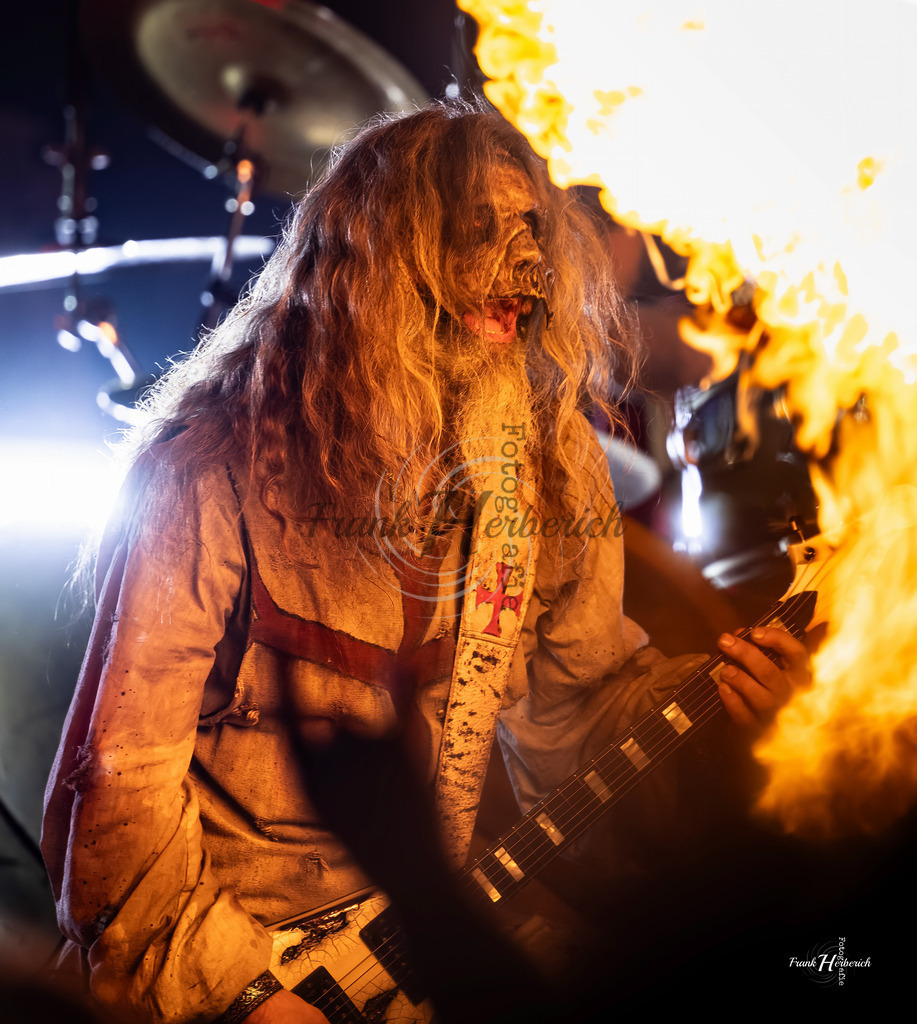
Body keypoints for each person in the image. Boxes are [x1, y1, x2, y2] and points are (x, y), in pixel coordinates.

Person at [41, 100, 809, 1024]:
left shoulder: (550, 466)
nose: (523, 268)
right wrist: (244, 995)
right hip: (228, 948)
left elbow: (575, 720)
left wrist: (725, 717)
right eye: (480, 230)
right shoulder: (211, 467)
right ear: (377, 265)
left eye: (530, 232)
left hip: (428, 920)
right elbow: (117, 787)